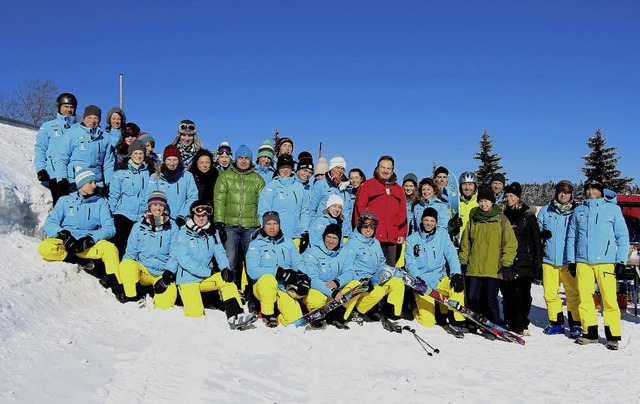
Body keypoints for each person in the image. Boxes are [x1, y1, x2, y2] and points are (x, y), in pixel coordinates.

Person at [567, 178, 629, 350]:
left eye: (594, 189)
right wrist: (571, 260)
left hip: (606, 261)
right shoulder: (579, 211)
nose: (590, 192)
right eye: (588, 189)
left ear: (601, 191)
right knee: (585, 298)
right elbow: (572, 237)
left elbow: (623, 236)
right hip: (583, 262)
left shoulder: (613, 210)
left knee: (609, 299)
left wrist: (621, 260)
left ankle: (613, 336)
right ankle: (590, 333)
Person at [173, 200, 257, 328]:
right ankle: (182, 298)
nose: (202, 218)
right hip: (187, 280)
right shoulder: (183, 233)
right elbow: (184, 260)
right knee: (195, 316)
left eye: (205, 215)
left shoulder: (212, 232)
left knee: (226, 280)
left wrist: (225, 268)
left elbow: (219, 252)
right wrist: (208, 272)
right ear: (192, 215)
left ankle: (236, 315)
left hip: (205, 278)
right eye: (198, 215)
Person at [38, 169, 119, 282]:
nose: (94, 186)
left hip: (87, 244)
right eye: (90, 182)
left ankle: (117, 285)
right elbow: (50, 223)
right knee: (45, 248)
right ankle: (77, 261)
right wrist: (63, 235)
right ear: (81, 183)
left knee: (110, 249)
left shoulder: (101, 202)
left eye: (95, 182)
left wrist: (91, 238)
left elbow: (109, 228)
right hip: (67, 244)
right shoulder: (64, 201)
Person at [458, 188, 517, 333]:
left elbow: (510, 243)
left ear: (492, 202)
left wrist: (506, 264)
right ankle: (471, 324)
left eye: (486, 201)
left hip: (493, 268)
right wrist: (463, 261)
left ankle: (493, 327)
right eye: (481, 201)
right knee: (471, 298)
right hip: (474, 266)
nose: (483, 204)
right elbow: (466, 242)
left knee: (490, 300)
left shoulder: (501, 220)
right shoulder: (473, 220)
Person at [405, 207, 466, 335]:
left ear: (436, 222)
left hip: (439, 278)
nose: (429, 223)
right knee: (428, 322)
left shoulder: (442, 235)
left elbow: (451, 255)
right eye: (426, 220)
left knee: (456, 289)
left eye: (432, 220)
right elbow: (410, 262)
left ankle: (457, 321)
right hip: (423, 283)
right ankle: (416, 310)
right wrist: (416, 279)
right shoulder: (412, 239)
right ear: (421, 220)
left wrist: (456, 274)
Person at [213, 144, 265, 290]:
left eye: (246, 158)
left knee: (252, 262)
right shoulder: (225, 177)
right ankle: (231, 292)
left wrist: (261, 225)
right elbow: (219, 200)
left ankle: (252, 293)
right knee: (230, 261)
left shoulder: (258, 179)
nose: (243, 161)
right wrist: (218, 222)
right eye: (240, 158)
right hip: (230, 225)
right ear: (235, 159)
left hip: (251, 228)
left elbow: (263, 204)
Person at [245, 211, 308, 327]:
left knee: (297, 321)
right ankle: (268, 315)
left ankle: (279, 318)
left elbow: (298, 262)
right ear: (263, 225)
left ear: (279, 225)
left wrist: (301, 275)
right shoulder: (256, 244)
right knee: (268, 279)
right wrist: (278, 273)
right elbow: (252, 271)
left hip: (283, 287)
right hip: (263, 287)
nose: (272, 227)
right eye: (268, 224)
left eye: (275, 223)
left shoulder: (288, 242)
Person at [343, 212, 406, 327]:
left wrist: (390, 271)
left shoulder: (375, 242)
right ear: (360, 227)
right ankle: (357, 311)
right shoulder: (351, 244)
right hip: (361, 282)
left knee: (397, 282)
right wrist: (362, 279)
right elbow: (347, 268)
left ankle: (392, 313)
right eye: (365, 226)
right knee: (378, 291)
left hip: (375, 279)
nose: (368, 229)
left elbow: (381, 263)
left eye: (372, 227)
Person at [118, 190, 179, 307]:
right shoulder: (138, 226)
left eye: (161, 205)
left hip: (162, 274)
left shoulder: (172, 227)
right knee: (126, 264)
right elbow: (130, 253)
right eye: (155, 204)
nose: (158, 208)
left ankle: (155, 295)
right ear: (149, 206)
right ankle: (132, 298)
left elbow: (175, 254)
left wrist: (167, 276)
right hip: (144, 271)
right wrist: (126, 280)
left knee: (164, 306)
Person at [537, 180, 582, 338]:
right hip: (549, 260)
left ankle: (575, 323)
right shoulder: (545, 210)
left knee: (573, 294)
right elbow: (537, 228)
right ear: (556, 193)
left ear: (571, 194)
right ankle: (556, 323)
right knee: (550, 294)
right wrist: (541, 235)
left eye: (567, 192)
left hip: (568, 261)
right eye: (561, 191)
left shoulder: (577, 212)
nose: (563, 194)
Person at [501, 182, 543, 336]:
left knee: (523, 294)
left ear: (518, 198)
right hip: (507, 258)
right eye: (506, 196)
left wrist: (538, 262)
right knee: (508, 292)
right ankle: (510, 321)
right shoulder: (502, 214)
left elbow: (536, 239)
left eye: (512, 196)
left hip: (525, 260)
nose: (509, 199)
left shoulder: (527, 215)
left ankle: (522, 322)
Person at [301, 223, 360, 329]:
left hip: (335, 290)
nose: (331, 241)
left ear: (339, 240)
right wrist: (332, 292)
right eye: (328, 237)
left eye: (335, 238)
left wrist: (338, 281)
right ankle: (316, 317)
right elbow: (312, 278)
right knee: (316, 299)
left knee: (356, 285)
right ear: (323, 237)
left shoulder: (345, 252)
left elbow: (349, 272)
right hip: (318, 288)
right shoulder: (312, 252)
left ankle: (339, 317)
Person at [354, 156, 407, 266]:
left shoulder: (398, 189)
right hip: (373, 237)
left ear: (392, 171)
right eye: (383, 167)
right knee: (372, 269)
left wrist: (402, 233)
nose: (385, 171)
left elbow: (402, 213)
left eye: (389, 168)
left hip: (392, 238)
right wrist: (362, 232)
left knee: (389, 270)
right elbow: (359, 210)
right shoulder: (368, 186)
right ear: (377, 169)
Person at [109, 140, 154, 260]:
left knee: (136, 246)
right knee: (120, 244)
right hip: (123, 213)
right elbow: (114, 195)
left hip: (141, 216)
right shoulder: (121, 173)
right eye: (136, 153)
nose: (139, 156)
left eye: (141, 153)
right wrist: (111, 213)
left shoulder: (150, 173)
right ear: (130, 154)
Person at [258, 154, 311, 250]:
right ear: (278, 168)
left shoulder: (299, 187)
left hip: (295, 235)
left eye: (288, 167)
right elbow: (263, 211)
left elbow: (305, 211)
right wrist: (266, 231)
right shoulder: (271, 186)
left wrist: (305, 232)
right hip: (276, 236)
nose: (285, 170)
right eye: (283, 167)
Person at [34, 92, 78, 205]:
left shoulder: (78, 128)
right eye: (65, 106)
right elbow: (40, 148)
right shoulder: (48, 126)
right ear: (59, 107)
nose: (68, 110)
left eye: (71, 107)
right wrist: (41, 169)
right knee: (61, 207)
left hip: (75, 176)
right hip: (55, 174)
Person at [63, 105, 115, 195]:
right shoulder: (72, 133)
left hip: (96, 183)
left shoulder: (105, 138)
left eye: (95, 118)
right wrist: (62, 178)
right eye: (89, 117)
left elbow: (108, 163)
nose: (92, 121)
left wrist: (108, 183)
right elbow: (62, 157)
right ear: (84, 118)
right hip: (75, 181)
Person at [147, 144, 199, 227]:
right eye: (169, 159)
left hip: (182, 221)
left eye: (175, 159)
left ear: (179, 160)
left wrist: (183, 215)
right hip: (161, 220)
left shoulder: (187, 176)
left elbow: (192, 197)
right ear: (164, 160)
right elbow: (150, 198)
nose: (172, 163)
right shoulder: (155, 177)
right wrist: (163, 214)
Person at [311, 155, 353, 238]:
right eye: (337, 167)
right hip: (323, 230)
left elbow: (349, 211)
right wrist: (311, 229)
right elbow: (311, 208)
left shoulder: (347, 187)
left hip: (344, 231)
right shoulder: (320, 184)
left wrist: (348, 231)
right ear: (331, 167)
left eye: (342, 168)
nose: (340, 171)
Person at [295, 152, 315, 252]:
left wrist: (306, 231)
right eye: (305, 170)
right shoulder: (291, 185)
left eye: (310, 172)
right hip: (292, 231)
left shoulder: (311, 188)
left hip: (307, 231)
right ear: (298, 170)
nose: (307, 174)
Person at [458, 171, 479, 236]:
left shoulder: (480, 202)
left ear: (475, 186)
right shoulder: (456, 202)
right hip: (459, 240)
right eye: (464, 184)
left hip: (476, 239)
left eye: (470, 184)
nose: (467, 188)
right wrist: (452, 224)